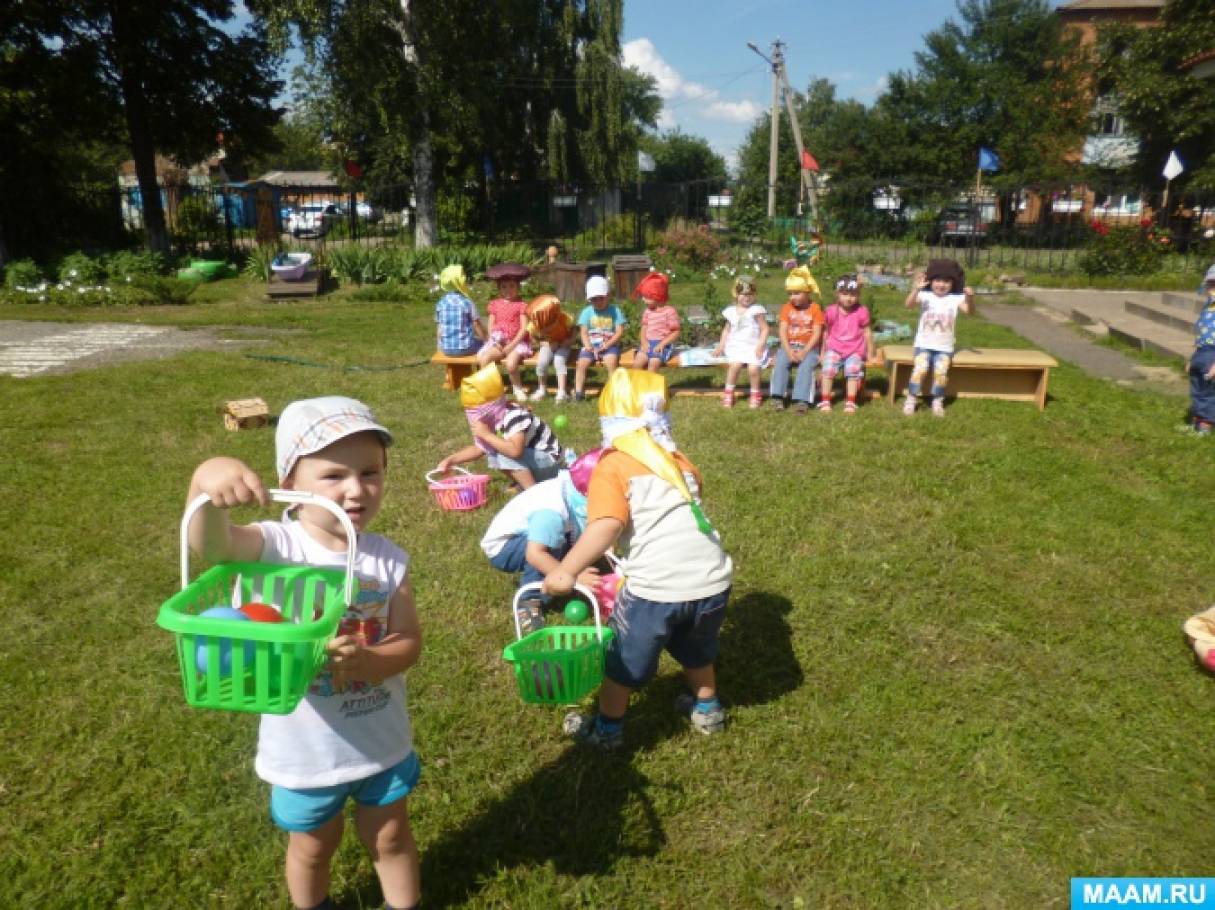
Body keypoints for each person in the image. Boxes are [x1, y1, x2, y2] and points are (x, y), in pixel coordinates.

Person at [186, 396, 422, 910]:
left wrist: (372, 662)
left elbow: (408, 641)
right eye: (333, 476)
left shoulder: (387, 560)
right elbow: (212, 545)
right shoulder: (273, 545)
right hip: (305, 751)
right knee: (314, 846)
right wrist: (206, 478)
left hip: (379, 739)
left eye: (370, 473)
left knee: (390, 837)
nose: (356, 490)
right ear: (289, 481)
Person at [543, 369, 734, 751]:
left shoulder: (611, 466)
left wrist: (566, 569)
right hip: (713, 579)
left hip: (656, 588)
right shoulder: (678, 460)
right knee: (697, 650)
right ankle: (708, 709)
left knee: (622, 662)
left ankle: (607, 731)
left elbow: (606, 526)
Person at [480, 449, 605, 633]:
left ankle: (559, 574)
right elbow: (535, 554)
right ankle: (529, 603)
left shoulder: (571, 493)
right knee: (549, 547)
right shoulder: (552, 511)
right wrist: (574, 577)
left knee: (557, 540)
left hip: (537, 536)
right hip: (505, 547)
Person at [438, 363, 564, 490]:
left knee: (500, 452)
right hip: (536, 461)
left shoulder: (513, 416)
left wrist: (487, 435)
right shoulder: (493, 421)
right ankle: (526, 483)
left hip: (551, 463)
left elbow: (516, 452)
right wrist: (451, 460)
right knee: (495, 450)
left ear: (490, 409)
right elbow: (479, 449)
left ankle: (532, 492)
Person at [901, 258, 975, 417]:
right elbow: (908, 305)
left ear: (953, 283)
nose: (941, 284)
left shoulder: (955, 298)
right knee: (920, 369)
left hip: (945, 348)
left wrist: (969, 298)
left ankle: (937, 400)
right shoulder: (925, 295)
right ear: (931, 281)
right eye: (938, 280)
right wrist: (915, 289)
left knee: (941, 373)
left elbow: (969, 312)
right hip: (923, 345)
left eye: (947, 281)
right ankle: (911, 398)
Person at [769, 266, 824, 413]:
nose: (792, 297)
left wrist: (805, 351)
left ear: (807, 293)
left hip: (809, 348)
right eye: (790, 293)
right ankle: (777, 396)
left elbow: (817, 333)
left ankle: (802, 400)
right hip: (789, 346)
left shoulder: (815, 309)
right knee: (780, 362)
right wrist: (788, 350)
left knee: (806, 367)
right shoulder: (787, 308)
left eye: (797, 293)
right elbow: (782, 330)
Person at [818, 274, 875, 414]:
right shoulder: (831, 311)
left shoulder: (861, 311)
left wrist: (870, 352)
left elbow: (867, 332)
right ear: (837, 294)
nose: (849, 298)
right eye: (844, 294)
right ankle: (825, 399)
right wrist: (822, 352)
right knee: (828, 369)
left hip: (855, 350)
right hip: (835, 348)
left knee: (853, 371)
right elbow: (825, 333)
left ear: (858, 295)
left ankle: (850, 401)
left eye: (853, 294)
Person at [477, 262, 533, 402]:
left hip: (517, 343)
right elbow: (491, 323)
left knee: (511, 363)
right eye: (504, 287)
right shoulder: (495, 304)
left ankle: (517, 388)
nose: (508, 290)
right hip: (499, 341)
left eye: (512, 286)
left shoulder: (521, 305)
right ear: (499, 288)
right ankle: (490, 387)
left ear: (518, 287)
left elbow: (523, 328)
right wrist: (493, 340)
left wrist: (512, 345)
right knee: (484, 358)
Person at [712, 275, 769, 409]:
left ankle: (755, 394)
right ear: (736, 295)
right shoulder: (731, 312)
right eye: (743, 294)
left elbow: (765, 329)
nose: (747, 297)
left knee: (753, 368)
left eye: (750, 294)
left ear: (754, 295)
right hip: (736, 346)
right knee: (735, 366)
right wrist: (721, 346)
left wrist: (760, 345)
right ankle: (728, 392)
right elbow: (726, 330)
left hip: (753, 346)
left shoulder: (756, 310)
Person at [573, 274, 627, 401]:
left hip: (609, 345)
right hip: (591, 345)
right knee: (581, 364)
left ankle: (614, 392)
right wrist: (587, 345)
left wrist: (608, 345)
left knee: (611, 362)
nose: (597, 302)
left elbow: (619, 331)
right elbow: (584, 331)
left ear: (608, 295)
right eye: (593, 299)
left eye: (600, 298)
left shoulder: (615, 310)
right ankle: (578, 392)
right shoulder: (587, 312)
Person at [525, 293, 577, 403]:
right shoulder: (535, 324)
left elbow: (573, 333)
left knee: (559, 360)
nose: (546, 329)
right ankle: (542, 389)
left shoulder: (564, 319)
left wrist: (568, 342)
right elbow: (533, 339)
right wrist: (543, 343)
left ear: (555, 317)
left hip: (563, 344)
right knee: (542, 362)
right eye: (544, 328)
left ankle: (562, 392)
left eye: (548, 327)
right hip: (548, 344)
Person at [631, 271, 682, 372]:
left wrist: (662, 344)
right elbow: (643, 328)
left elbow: (676, 332)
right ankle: (638, 386)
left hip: (663, 345)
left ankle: (651, 387)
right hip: (648, 344)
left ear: (656, 296)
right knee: (637, 364)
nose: (643, 300)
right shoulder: (647, 312)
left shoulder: (669, 311)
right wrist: (644, 342)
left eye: (646, 297)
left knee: (653, 364)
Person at [434, 263, 485, 357]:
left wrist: (439, 346)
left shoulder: (440, 303)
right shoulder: (467, 302)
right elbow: (476, 325)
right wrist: (485, 341)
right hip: (465, 348)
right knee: (482, 346)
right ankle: (481, 371)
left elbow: (440, 328)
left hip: (446, 349)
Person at [1188, 264, 1215, 434]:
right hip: (1202, 351)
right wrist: (1191, 358)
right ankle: (1196, 420)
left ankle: (1206, 423)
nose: (1212, 289)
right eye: (1211, 285)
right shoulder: (1208, 308)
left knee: (1208, 390)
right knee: (1197, 387)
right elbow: (1200, 333)